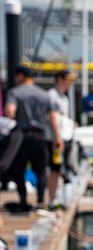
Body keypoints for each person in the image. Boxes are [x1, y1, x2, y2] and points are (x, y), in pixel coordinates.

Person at [4, 66, 62, 211]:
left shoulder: (14, 92)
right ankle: (41, 202)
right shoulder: (44, 94)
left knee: (18, 170)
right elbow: (53, 118)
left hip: (21, 137)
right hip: (40, 136)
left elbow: (10, 112)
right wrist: (57, 137)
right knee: (41, 171)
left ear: (21, 76)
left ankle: (23, 201)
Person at [46, 70, 76, 207]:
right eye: (67, 79)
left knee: (65, 169)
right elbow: (53, 117)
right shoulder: (52, 95)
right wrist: (57, 137)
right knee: (55, 169)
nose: (69, 83)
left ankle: (61, 199)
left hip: (65, 137)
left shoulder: (64, 97)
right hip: (56, 139)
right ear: (58, 79)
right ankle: (52, 200)